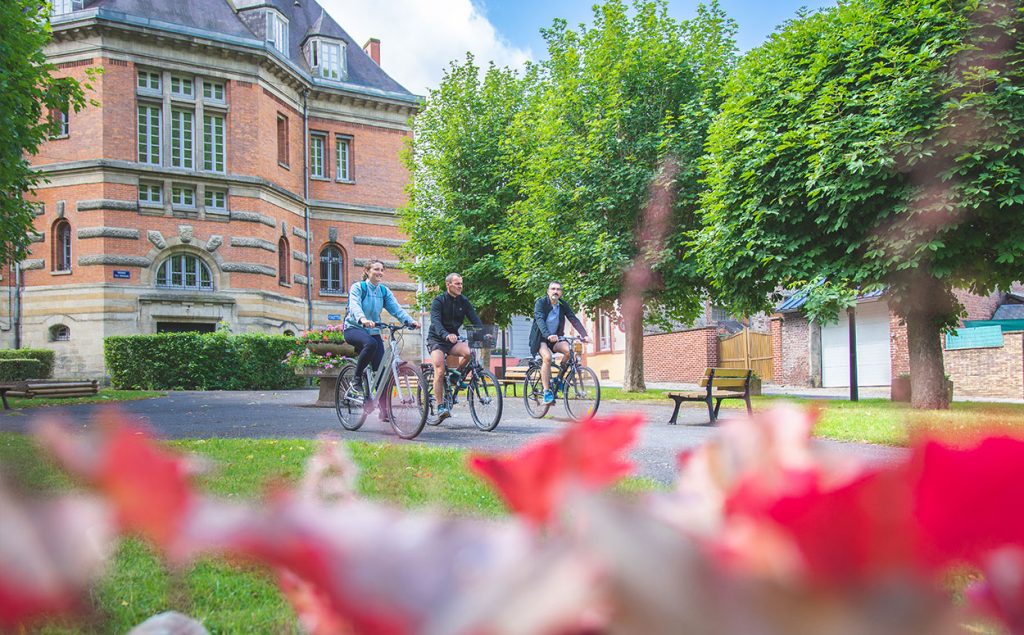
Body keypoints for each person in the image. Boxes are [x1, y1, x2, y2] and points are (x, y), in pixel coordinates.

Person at [343, 260, 420, 409]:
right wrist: (362, 319)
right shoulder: (359, 287)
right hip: (354, 328)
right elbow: (354, 305)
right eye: (376, 269)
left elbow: (396, 309)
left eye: (382, 270)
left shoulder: (383, 291)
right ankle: (356, 378)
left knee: (382, 372)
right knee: (370, 344)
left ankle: (384, 411)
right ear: (367, 271)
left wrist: (410, 321)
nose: (380, 272)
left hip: (373, 330)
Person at [426, 273, 483, 420]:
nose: (460, 287)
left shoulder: (464, 301)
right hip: (437, 339)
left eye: (461, 284)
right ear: (448, 285)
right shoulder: (438, 301)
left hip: (452, 340)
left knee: (469, 353)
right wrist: (445, 334)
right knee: (439, 369)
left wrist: (484, 332)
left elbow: (474, 318)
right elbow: (436, 322)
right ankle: (440, 406)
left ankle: (454, 377)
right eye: (457, 284)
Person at [529, 281, 588, 404]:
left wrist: (584, 335)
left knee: (568, 351)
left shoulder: (562, 304)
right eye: (553, 289)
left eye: (558, 289)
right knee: (547, 357)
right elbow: (539, 319)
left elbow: (573, 318)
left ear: (561, 293)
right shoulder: (541, 303)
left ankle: (559, 380)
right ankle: (546, 392)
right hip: (541, 338)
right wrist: (548, 335)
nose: (556, 291)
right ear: (548, 291)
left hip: (556, 338)